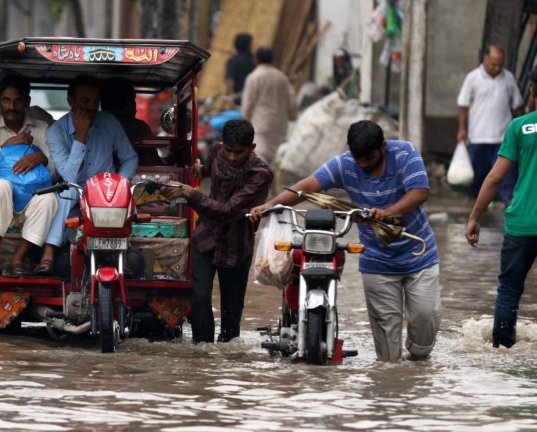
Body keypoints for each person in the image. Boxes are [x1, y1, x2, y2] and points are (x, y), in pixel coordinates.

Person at [251, 120, 441, 361]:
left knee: (425, 317)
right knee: (387, 351)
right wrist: (272, 204)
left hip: (418, 253)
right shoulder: (345, 163)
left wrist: (389, 211)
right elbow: (307, 187)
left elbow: (420, 192)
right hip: (377, 260)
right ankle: (393, 377)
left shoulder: (405, 153)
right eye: (358, 160)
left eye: (369, 160)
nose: (363, 166)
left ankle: (418, 362)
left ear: (383, 147)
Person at [163, 120, 273, 343]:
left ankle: (227, 361)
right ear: (223, 145)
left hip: (237, 244)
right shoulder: (215, 151)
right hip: (206, 237)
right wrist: (200, 170)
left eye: (238, 152)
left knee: (231, 315)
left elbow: (227, 211)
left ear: (251, 148)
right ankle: (202, 354)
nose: (232, 157)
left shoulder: (260, 175)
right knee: (200, 297)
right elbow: (206, 171)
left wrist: (190, 194)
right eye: (229, 151)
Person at [465, 68, 537, 349]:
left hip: (521, 225)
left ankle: (502, 350)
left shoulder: (520, 127)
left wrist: (474, 217)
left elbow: (495, 177)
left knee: (509, 291)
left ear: (532, 92)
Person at [44, 75, 139, 256]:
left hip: (107, 191)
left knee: (127, 200)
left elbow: (130, 157)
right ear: (70, 101)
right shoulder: (56, 131)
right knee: (66, 193)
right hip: (76, 191)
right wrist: (81, 136)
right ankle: (49, 251)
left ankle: (127, 253)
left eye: (95, 102)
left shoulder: (109, 122)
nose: (91, 108)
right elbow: (69, 176)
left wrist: (121, 184)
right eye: (85, 101)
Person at [0, 74, 58, 277]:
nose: (11, 106)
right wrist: (5, 147)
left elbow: (55, 176)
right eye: (6, 100)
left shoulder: (41, 129)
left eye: (17, 101)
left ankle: (18, 258)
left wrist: (40, 158)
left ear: (27, 102)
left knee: (49, 198)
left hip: (30, 204)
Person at [457, 45, 524, 203]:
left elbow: (517, 107)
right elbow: (463, 105)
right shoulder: (472, 78)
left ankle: (508, 208)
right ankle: (475, 208)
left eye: (500, 64)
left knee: (506, 179)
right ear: (486, 59)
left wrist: (520, 133)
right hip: (478, 139)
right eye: (494, 63)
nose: (497, 67)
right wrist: (462, 129)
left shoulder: (508, 78)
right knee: (477, 179)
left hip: (503, 140)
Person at [241, 47, 296, 165]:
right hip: (280, 126)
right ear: (273, 60)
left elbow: (247, 105)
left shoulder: (254, 77)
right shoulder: (282, 78)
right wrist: (292, 116)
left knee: (261, 161)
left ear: (256, 60)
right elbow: (291, 102)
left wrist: (246, 121)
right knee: (277, 162)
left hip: (261, 126)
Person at [100, 77, 162, 166]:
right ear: (128, 103)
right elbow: (152, 163)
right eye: (133, 101)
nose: (136, 108)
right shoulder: (139, 127)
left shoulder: (90, 125)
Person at [225, 33, 255, 102]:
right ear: (248, 46)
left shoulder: (233, 60)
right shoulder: (255, 60)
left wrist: (228, 98)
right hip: (254, 99)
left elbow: (230, 80)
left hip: (239, 100)